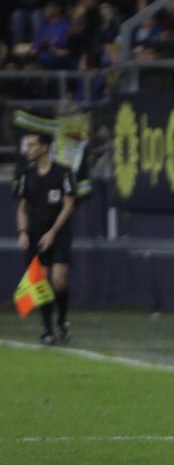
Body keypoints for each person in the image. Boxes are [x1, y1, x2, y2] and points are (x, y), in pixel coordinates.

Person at [15, 133, 75, 345]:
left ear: (44, 147)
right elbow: (22, 208)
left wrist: (52, 233)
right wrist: (23, 232)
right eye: (28, 144)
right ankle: (48, 330)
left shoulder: (63, 173)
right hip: (35, 234)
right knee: (41, 281)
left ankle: (62, 320)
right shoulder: (26, 174)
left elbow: (68, 204)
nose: (28, 149)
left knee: (58, 280)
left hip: (58, 234)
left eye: (32, 145)